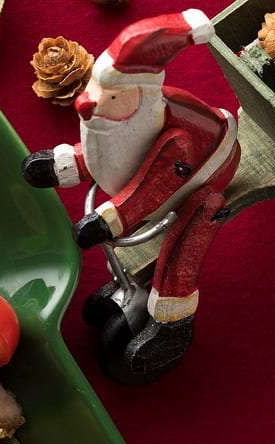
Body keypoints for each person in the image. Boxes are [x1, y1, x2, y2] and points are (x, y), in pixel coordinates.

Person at [23, 9, 241, 383]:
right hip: (160, 167)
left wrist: (109, 219)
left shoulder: (177, 142)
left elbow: (147, 189)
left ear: (136, 97)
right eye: (94, 88)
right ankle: (126, 287)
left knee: (192, 223)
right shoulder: (126, 121)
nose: (89, 101)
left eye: (108, 95)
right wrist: (64, 165)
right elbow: (111, 158)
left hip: (204, 177)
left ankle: (173, 324)